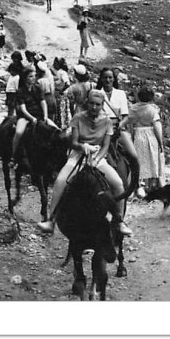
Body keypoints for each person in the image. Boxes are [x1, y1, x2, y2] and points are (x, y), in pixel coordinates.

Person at [37, 89, 133, 237]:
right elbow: (74, 142)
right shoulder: (78, 118)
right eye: (92, 104)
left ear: (102, 106)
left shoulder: (106, 121)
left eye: (98, 105)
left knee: (118, 184)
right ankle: (51, 220)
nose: (94, 107)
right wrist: (83, 147)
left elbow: (106, 146)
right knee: (61, 181)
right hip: (78, 156)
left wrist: (96, 158)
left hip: (97, 157)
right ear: (87, 103)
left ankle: (119, 221)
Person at [97, 67, 139, 179]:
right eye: (105, 77)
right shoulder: (97, 93)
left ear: (114, 79)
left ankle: (136, 183)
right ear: (101, 79)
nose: (107, 80)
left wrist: (120, 126)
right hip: (101, 128)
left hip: (118, 128)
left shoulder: (120, 93)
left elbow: (125, 116)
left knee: (134, 155)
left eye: (110, 77)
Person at [125, 87, 165, 192]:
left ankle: (137, 185)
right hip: (150, 134)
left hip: (138, 134)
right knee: (152, 159)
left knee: (139, 160)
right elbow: (157, 127)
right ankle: (151, 186)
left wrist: (132, 137)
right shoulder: (153, 110)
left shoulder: (133, 109)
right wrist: (160, 142)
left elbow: (131, 126)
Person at [11, 66, 50, 164]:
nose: (34, 78)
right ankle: (13, 155)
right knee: (19, 132)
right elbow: (23, 109)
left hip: (39, 115)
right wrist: (31, 118)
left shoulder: (37, 88)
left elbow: (43, 102)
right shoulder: (20, 91)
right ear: (25, 78)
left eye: (34, 76)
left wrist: (45, 116)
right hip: (25, 117)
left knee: (55, 129)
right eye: (30, 76)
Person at [5, 50, 26, 116]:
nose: (14, 60)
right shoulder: (12, 65)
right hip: (10, 91)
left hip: (16, 91)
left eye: (16, 58)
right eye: (13, 58)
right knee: (10, 107)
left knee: (17, 106)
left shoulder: (21, 68)